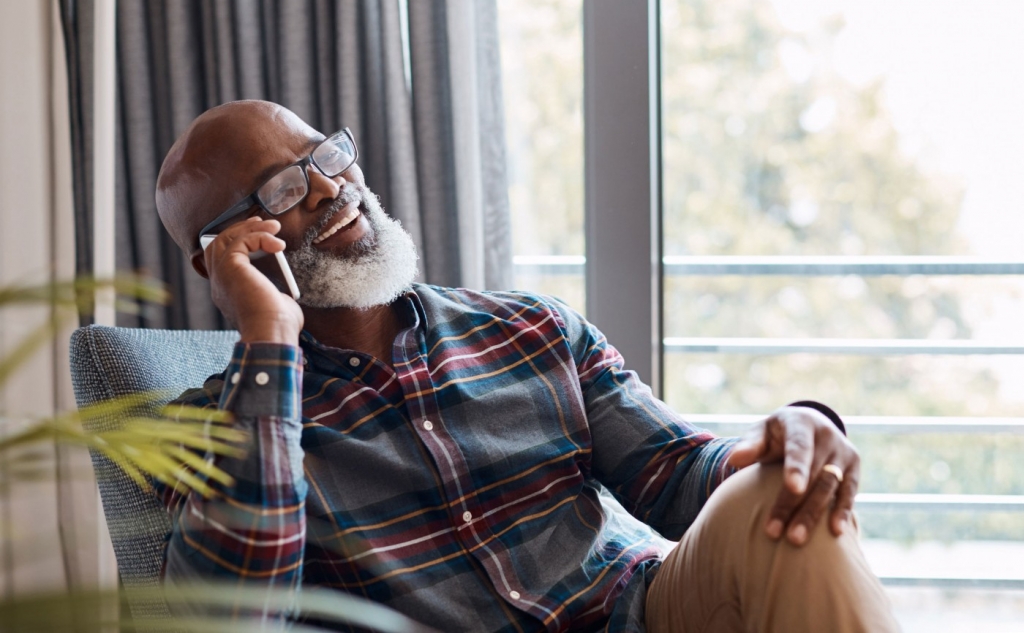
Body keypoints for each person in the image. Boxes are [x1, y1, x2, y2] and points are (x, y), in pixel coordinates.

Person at [154, 99, 899, 632]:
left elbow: (679, 475)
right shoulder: (214, 427)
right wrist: (268, 343)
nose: (328, 187)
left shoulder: (531, 328)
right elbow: (230, 616)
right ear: (222, 254)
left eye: (325, 155)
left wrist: (790, 437)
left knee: (782, 498)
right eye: (283, 189)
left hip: (641, 611)